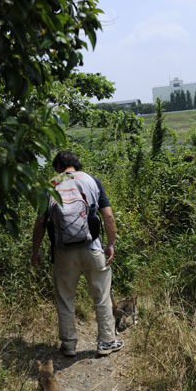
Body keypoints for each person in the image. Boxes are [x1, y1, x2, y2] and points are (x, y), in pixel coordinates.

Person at [31, 150, 123, 357]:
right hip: (93, 248)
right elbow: (108, 216)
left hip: (63, 252)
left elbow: (40, 223)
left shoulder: (50, 186)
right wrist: (111, 244)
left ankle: (69, 345)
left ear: (57, 167)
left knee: (65, 298)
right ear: (77, 165)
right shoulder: (92, 181)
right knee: (101, 296)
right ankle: (107, 342)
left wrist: (35, 251)